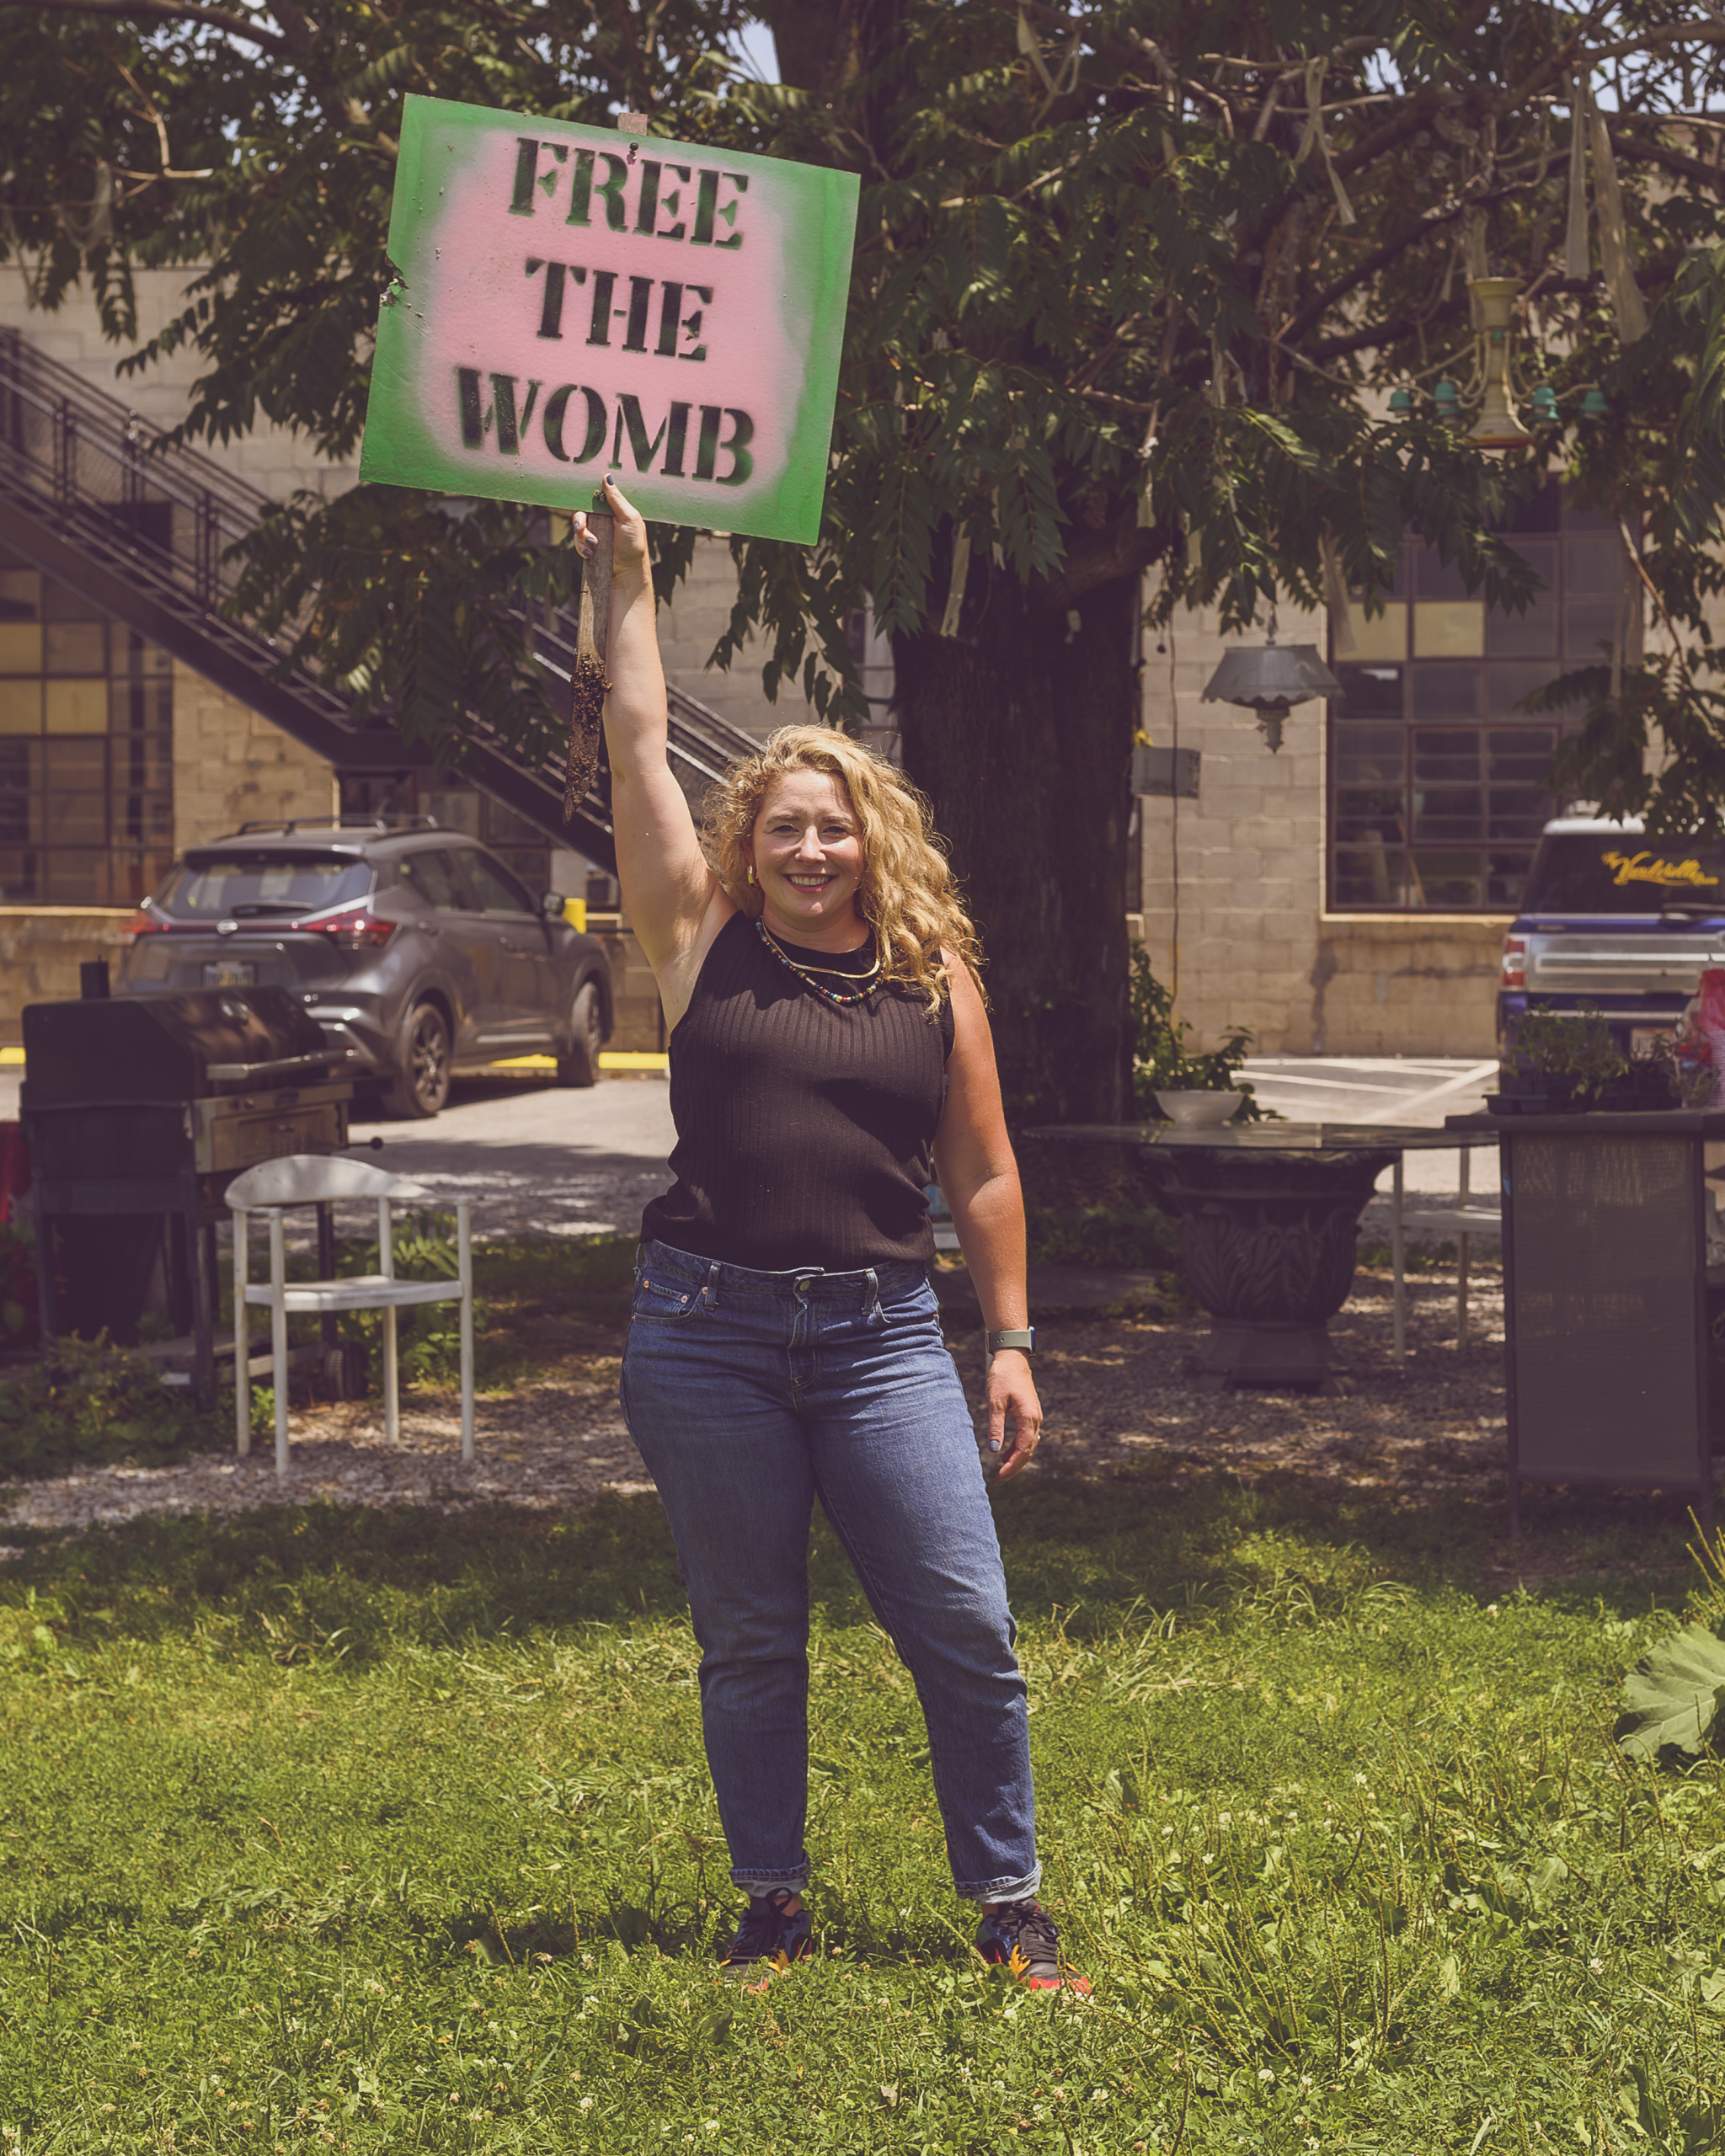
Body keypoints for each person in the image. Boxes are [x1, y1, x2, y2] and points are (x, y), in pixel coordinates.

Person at [577, 472, 1086, 1994]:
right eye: (788, 828)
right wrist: (627, 584)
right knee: (750, 1640)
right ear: (755, 840)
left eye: (837, 832)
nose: (812, 852)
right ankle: (773, 1900)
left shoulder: (935, 985)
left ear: (878, 846)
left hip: (881, 1345)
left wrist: (1010, 1342)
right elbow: (635, 743)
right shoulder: (699, 938)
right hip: (704, 1334)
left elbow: (985, 1176)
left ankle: (1008, 1902)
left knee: (966, 1625)